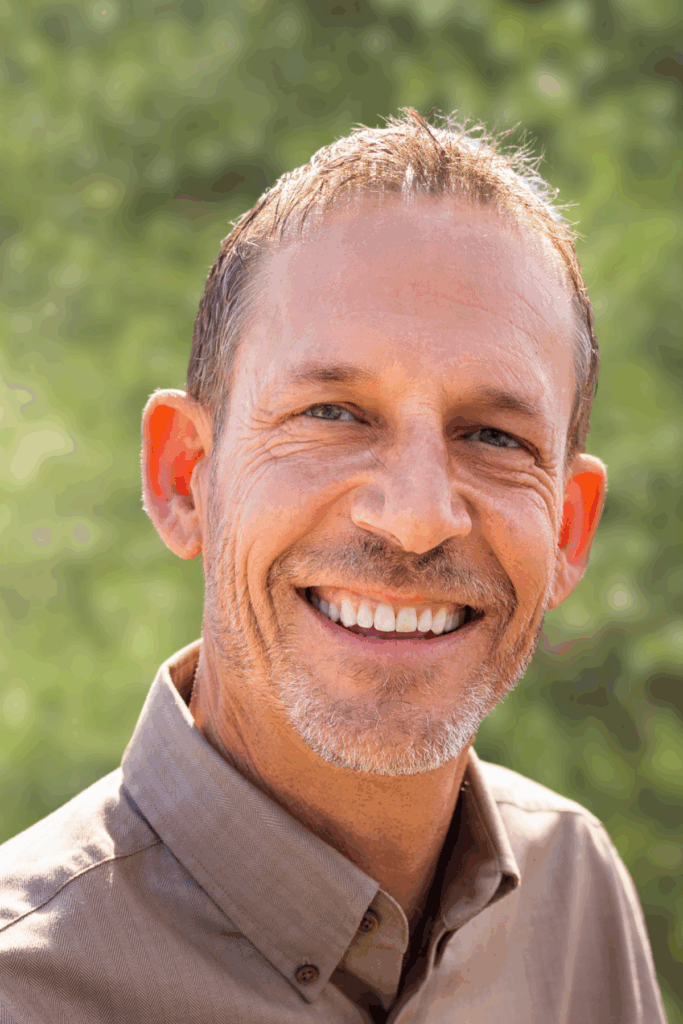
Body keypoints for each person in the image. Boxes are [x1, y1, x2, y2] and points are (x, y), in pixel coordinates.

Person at [0, 110, 666, 1024]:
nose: (416, 518)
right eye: (332, 414)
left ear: (567, 530)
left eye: (491, 435)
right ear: (184, 477)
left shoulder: (574, 894)